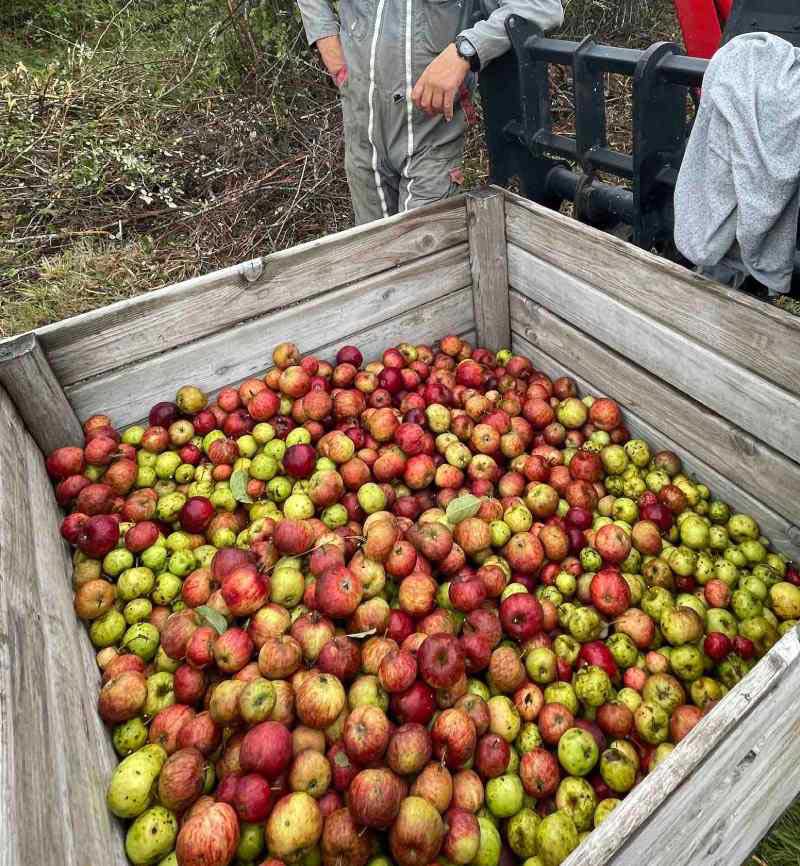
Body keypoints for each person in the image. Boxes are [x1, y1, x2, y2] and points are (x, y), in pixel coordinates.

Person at [296, 0, 564, 225]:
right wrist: (325, 38)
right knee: (372, 264)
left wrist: (466, 49)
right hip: (361, 132)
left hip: (431, 135)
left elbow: (541, 6)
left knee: (422, 261)